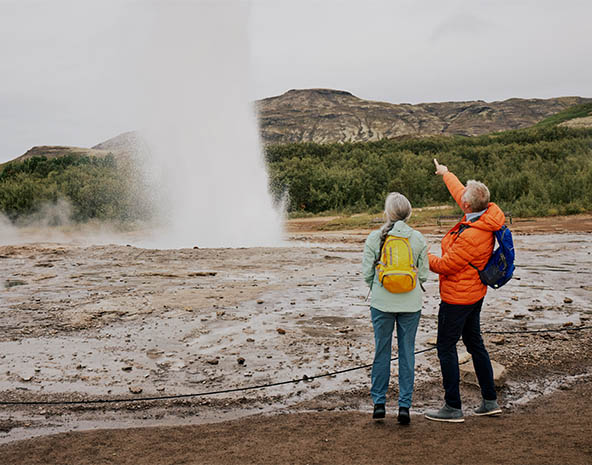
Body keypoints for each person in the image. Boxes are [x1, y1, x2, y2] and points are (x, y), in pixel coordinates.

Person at [425, 159, 504, 423]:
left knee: (445, 347)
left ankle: (452, 407)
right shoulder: (484, 215)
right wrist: (445, 174)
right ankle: (490, 401)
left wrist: (420, 254)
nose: (462, 201)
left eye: (464, 200)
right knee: (474, 343)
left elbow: (446, 266)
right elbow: (461, 192)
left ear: (468, 206)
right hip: (475, 294)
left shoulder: (472, 235)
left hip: (457, 298)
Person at [362, 192, 429, 424]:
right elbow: (424, 274)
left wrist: (379, 286)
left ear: (387, 213)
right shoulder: (418, 238)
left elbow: (367, 274)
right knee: (407, 352)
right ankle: (404, 407)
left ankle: (379, 403)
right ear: (408, 213)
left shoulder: (374, 238)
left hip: (381, 304)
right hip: (411, 305)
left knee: (381, 351)